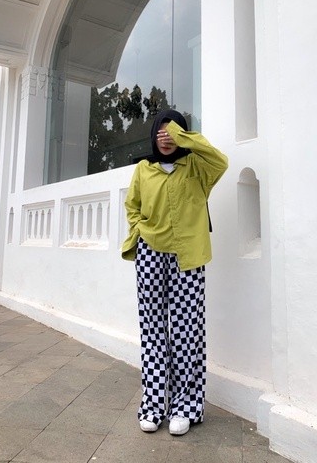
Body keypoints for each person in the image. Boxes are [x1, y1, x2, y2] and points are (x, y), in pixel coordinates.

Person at [121, 109, 228, 436]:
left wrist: (184, 138)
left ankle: (185, 407)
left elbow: (221, 161)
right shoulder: (143, 169)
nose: (165, 138)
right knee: (152, 331)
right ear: (152, 134)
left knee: (186, 332)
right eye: (161, 131)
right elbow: (132, 206)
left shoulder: (197, 167)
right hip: (150, 254)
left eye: (173, 132)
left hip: (188, 258)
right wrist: (139, 231)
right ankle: (153, 406)